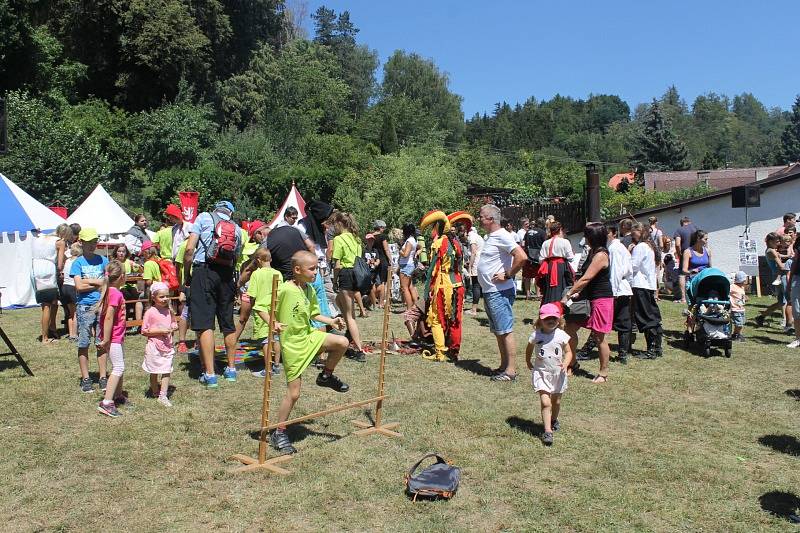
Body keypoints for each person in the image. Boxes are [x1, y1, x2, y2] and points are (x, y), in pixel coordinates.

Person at [269, 251, 351, 455]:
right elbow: (263, 307)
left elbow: (314, 313)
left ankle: (326, 376)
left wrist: (331, 321)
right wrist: (273, 322)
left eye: (317, 268)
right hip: (292, 345)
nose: (316, 272)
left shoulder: (309, 289)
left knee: (342, 341)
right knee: (294, 393)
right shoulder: (285, 289)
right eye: (312, 268)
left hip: (308, 336)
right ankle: (278, 431)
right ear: (297, 270)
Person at [183, 200, 242, 388]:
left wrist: (187, 274)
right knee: (227, 323)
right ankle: (231, 369)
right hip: (226, 275)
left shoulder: (203, 217)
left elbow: (190, 249)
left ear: (216, 208)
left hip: (204, 271)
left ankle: (210, 374)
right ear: (231, 213)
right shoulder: (237, 229)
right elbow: (237, 257)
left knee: (205, 323)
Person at [476, 204, 527, 381]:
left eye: (481, 216)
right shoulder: (492, 236)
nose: (479, 219)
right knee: (499, 331)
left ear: (491, 219)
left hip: (500, 291)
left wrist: (508, 274)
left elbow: (521, 257)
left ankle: (511, 371)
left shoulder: (503, 235)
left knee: (505, 330)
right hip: (491, 291)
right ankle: (504, 366)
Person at [563, 223, 613, 384]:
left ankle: (603, 373)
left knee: (599, 337)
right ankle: (572, 363)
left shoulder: (601, 255)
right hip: (587, 298)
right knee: (569, 328)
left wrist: (569, 294)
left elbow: (586, 278)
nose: (584, 239)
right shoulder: (592, 251)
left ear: (592, 238)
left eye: (586, 236)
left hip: (601, 299)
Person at [418, 211, 467, 362]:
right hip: (457, 284)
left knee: (436, 319)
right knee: (455, 319)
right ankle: (453, 351)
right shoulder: (457, 243)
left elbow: (434, 268)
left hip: (443, 285)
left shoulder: (439, 242)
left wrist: (428, 289)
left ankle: (440, 352)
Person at [525, 303, 572, 446]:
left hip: (558, 374)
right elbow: (529, 349)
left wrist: (565, 363)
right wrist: (528, 361)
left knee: (556, 402)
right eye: (547, 319)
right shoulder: (536, 335)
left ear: (559, 320)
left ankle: (553, 419)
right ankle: (547, 431)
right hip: (542, 373)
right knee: (546, 402)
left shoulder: (561, 335)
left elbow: (569, 352)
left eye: (554, 318)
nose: (551, 321)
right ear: (540, 320)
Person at [71, 228, 109, 393]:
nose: (93, 245)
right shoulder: (77, 263)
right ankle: (86, 378)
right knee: (84, 343)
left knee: (101, 343)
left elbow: (107, 283)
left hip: (101, 305)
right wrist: (97, 282)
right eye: (89, 242)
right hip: (85, 306)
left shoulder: (103, 260)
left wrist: (89, 281)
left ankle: (102, 377)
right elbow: (79, 287)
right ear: (82, 243)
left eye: (94, 241)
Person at [331, 212, 367, 361]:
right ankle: (349, 335)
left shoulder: (338, 239)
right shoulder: (356, 239)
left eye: (335, 225)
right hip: (357, 274)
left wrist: (334, 280)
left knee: (349, 315)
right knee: (340, 302)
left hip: (346, 274)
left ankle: (359, 351)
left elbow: (337, 264)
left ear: (339, 224)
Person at [97, 261, 128, 417]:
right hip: (113, 338)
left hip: (117, 336)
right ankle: (107, 402)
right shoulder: (115, 293)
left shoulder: (111, 291)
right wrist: (107, 339)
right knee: (118, 368)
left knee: (120, 365)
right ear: (122, 276)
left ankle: (118, 395)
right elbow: (108, 317)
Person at [246, 248, 284, 377]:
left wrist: (251, 307)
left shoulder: (257, 274)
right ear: (271, 259)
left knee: (265, 340)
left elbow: (252, 295)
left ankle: (268, 369)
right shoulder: (278, 273)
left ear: (258, 260)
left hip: (262, 311)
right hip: (275, 308)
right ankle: (277, 365)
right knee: (276, 337)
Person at [141, 281, 177, 407]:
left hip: (167, 345)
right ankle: (155, 391)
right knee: (154, 370)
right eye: (162, 296)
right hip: (154, 346)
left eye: (167, 296)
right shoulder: (150, 312)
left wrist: (173, 326)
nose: (165, 299)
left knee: (167, 369)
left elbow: (173, 323)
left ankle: (163, 395)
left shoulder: (169, 310)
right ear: (153, 297)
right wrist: (160, 331)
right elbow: (144, 330)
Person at [630, 223, 663, 359]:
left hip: (640, 285)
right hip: (648, 286)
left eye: (634, 233)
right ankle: (657, 347)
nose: (633, 235)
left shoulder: (640, 247)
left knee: (645, 317)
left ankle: (652, 349)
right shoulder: (650, 247)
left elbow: (633, 266)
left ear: (640, 232)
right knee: (652, 316)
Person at [607, 224, 634, 365]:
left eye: (607, 233)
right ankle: (623, 353)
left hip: (618, 290)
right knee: (623, 322)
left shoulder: (614, 248)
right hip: (623, 288)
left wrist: (613, 291)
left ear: (613, 234)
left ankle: (623, 353)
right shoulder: (619, 247)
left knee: (605, 320)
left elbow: (616, 271)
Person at [756, 232, 791, 330]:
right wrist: (791, 262)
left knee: (781, 301)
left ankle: (761, 317)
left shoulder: (770, 250)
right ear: (770, 241)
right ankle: (788, 323)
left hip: (776, 276)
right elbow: (781, 267)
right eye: (777, 241)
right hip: (780, 276)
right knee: (787, 300)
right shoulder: (772, 251)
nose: (779, 242)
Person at [31, 228, 60, 343]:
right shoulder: (59, 242)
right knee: (47, 306)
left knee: (51, 303)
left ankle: (50, 329)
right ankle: (45, 337)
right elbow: (60, 264)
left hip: (36, 269)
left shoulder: (38, 239)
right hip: (48, 272)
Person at [537, 222, 575, 305]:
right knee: (562, 287)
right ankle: (560, 306)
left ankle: (548, 305)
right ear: (560, 230)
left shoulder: (546, 243)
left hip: (549, 268)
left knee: (548, 288)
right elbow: (571, 258)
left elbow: (541, 259)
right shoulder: (565, 242)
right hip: (561, 267)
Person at [673, 216, 698, 303]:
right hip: (696, 254)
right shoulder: (696, 229)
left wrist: (679, 253)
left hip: (684, 254)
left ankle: (683, 298)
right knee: (695, 272)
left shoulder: (679, 230)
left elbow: (677, 244)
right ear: (689, 221)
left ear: (682, 223)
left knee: (682, 274)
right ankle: (696, 295)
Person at [61, 242, 82, 341]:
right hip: (73, 287)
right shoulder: (78, 261)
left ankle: (71, 333)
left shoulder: (68, 261)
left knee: (70, 313)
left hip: (65, 287)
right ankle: (75, 334)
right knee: (76, 313)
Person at [522, 218, 546, 300]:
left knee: (527, 276)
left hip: (528, 256)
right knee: (537, 276)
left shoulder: (528, 232)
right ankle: (538, 294)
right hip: (538, 257)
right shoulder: (543, 233)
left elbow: (523, 243)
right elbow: (545, 245)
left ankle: (528, 294)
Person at [371, 220, 392, 308]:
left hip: (374, 261)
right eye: (383, 228)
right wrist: (390, 260)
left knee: (375, 282)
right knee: (384, 282)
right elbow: (386, 249)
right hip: (383, 261)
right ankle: (381, 303)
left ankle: (374, 300)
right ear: (380, 228)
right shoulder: (382, 237)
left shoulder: (371, 236)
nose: (384, 229)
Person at [398, 223, 418, 311]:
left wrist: (400, 251)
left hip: (406, 265)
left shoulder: (409, 241)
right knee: (410, 286)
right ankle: (415, 305)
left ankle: (409, 308)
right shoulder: (414, 240)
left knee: (404, 288)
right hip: (409, 265)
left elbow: (405, 254)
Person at [466, 222, 484, 316]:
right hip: (482, 262)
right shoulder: (479, 237)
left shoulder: (472, 237)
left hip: (476, 263)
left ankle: (473, 310)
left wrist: (470, 266)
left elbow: (473, 252)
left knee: (476, 286)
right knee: (481, 286)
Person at [787, 238, 800, 348]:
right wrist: (790, 280)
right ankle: (798, 339)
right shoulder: (799, 242)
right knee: (797, 310)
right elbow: (795, 261)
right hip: (798, 279)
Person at [730, 271, 748, 342]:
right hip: (735, 309)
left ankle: (736, 334)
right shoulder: (732, 287)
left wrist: (745, 298)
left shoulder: (742, 287)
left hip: (741, 308)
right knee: (739, 323)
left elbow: (741, 296)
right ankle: (736, 334)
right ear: (742, 280)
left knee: (742, 323)